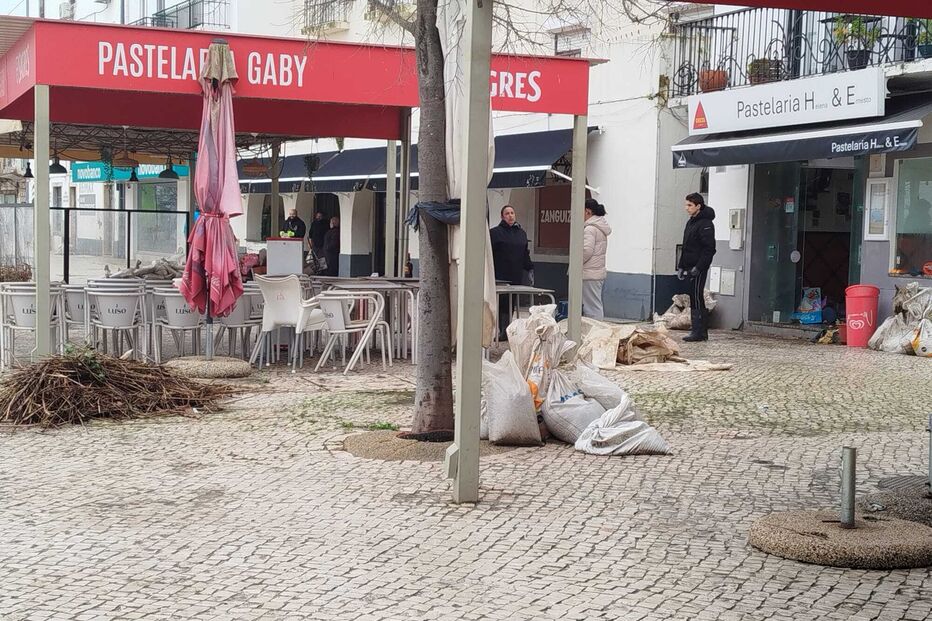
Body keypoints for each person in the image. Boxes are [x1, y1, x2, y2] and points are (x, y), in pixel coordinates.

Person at [677, 192, 716, 342]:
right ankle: (697, 330)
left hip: (698, 267)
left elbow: (709, 249)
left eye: (690, 205)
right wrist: (681, 266)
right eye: (686, 204)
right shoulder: (691, 222)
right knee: (693, 296)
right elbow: (686, 246)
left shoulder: (706, 224)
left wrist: (699, 267)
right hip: (689, 265)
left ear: (698, 206)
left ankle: (699, 331)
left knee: (697, 296)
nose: (686, 208)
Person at [490, 205, 533, 338]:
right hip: (499, 274)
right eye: (507, 213)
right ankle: (497, 329)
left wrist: (530, 267)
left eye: (512, 213)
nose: (510, 216)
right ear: (502, 216)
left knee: (511, 303)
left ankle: (506, 330)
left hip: (515, 273)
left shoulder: (521, 233)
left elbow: (525, 253)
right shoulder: (495, 233)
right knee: (499, 302)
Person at [582, 198, 612, 319]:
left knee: (591, 307)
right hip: (596, 271)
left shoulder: (590, 229)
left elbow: (586, 250)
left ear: (587, 211)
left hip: (589, 272)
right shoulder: (600, 227)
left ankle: (595, 331)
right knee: (595, 304)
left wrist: (575, 262)